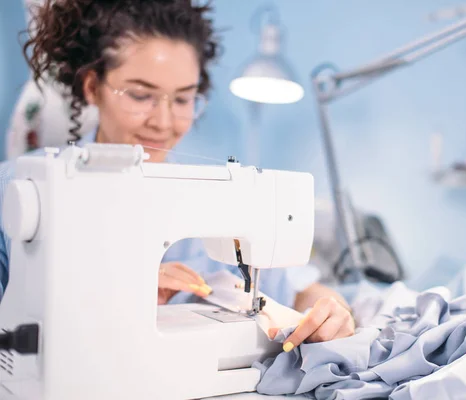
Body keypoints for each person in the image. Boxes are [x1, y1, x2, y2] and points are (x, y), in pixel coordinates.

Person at [0, 0, 354, 351]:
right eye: (141, 95)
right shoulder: (16, 187)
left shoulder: (216, 194)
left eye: (183, 99)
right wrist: (111, 297)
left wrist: (331, 309)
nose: (164, 123)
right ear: (92, 87)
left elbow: (297, 288)